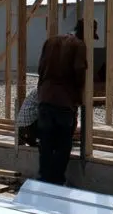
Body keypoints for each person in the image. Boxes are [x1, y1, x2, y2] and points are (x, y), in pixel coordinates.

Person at [35, 17, 90, 184]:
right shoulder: (79, 45)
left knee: (45, 142)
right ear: (84, 32)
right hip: (64, 102)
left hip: (45, 98)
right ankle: (56, 180)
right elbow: (79, 72)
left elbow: (40, 69)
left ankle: (44, 178)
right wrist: (79, 98)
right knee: (64, 143)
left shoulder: (50, 41)